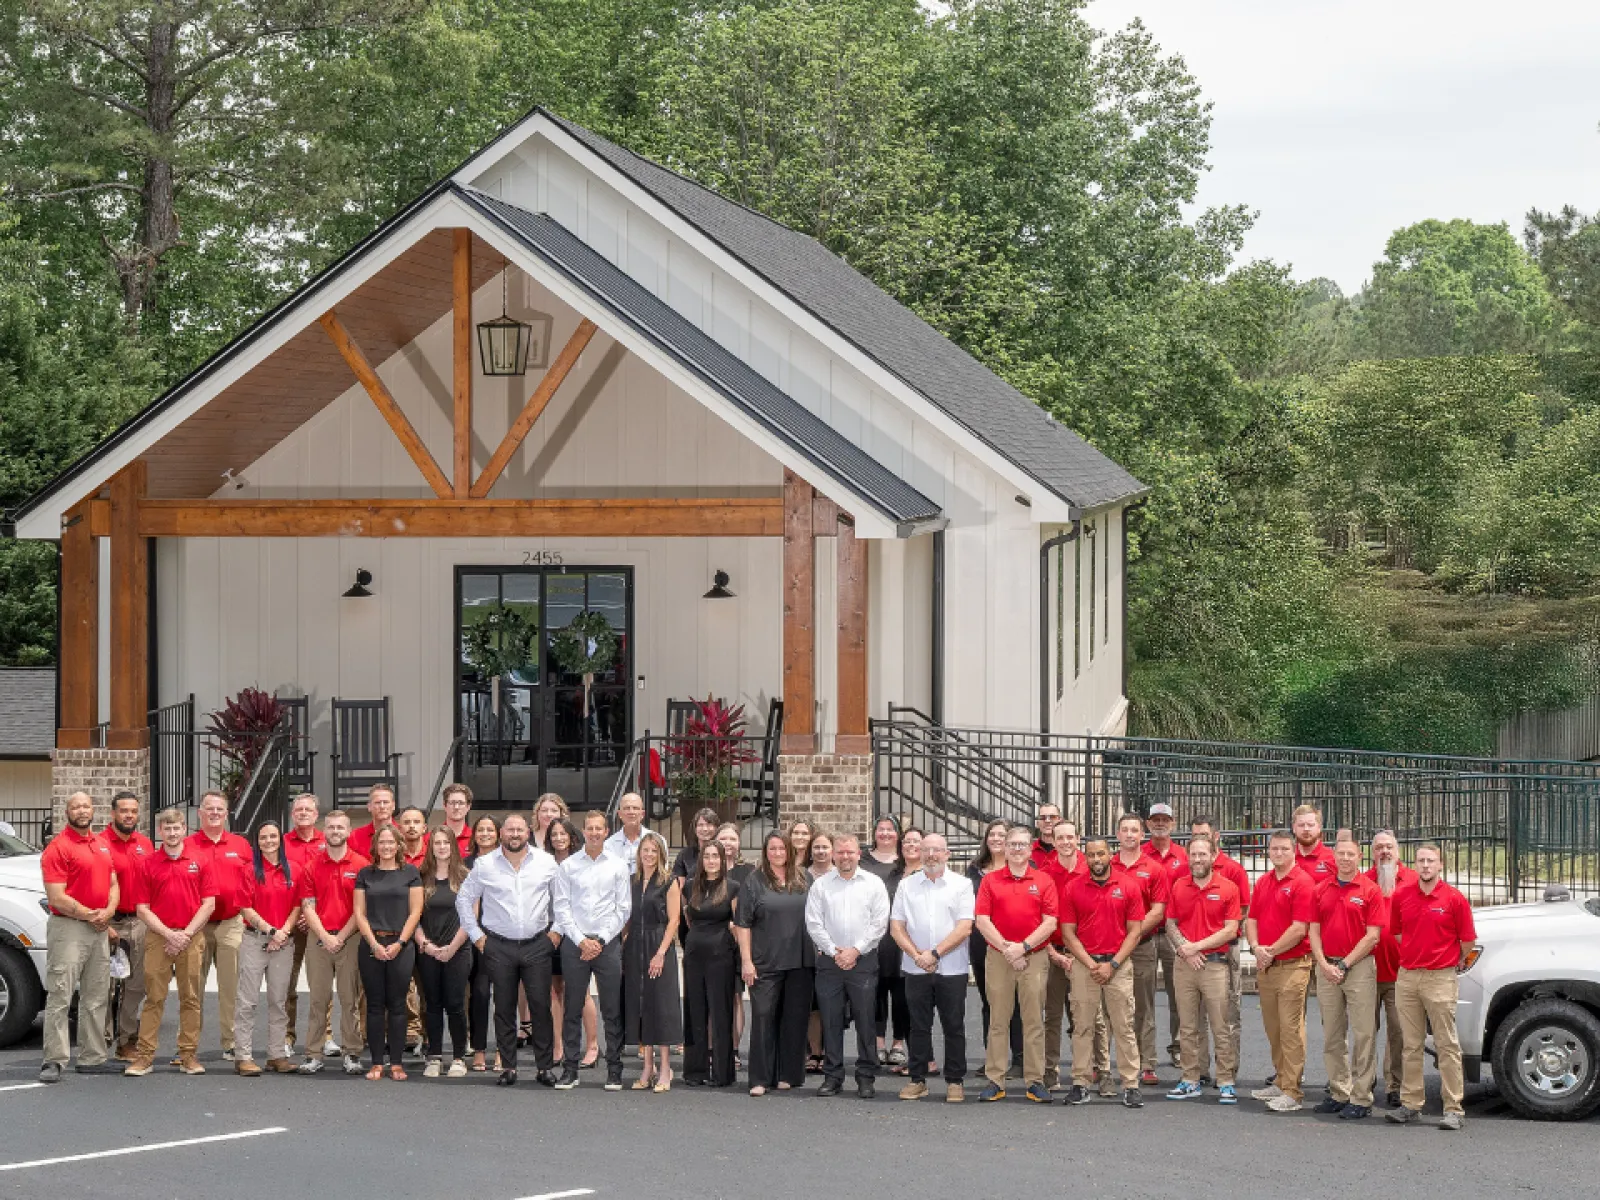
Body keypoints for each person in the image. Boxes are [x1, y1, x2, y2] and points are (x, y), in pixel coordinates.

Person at [457, 812, 561, 1087]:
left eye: (519, 830)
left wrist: (556, 933)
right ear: (501, 834)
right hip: (498, 945)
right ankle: (509, 1067)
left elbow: (562, 899)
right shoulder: (484, 864)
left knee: (540, 1007)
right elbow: (464, 900)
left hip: (537, 944)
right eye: (510, 830)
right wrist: (478, 937)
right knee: (503, 1007)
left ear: (528, 832)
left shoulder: (546, 862)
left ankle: (544, 1067)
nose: (515, 834)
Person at [1386, 843, 1477, 1131]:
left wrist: (1445, 960)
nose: (1425, 866)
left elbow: (1467, 941)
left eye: (1431, 861)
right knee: (1410, 1044)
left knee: (1446, 1044)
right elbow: (1398, 932)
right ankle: (1411, 1104)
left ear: (1440, 865)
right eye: (1421, 861)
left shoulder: (1454, 899)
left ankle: (1453, 1108)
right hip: (1408, 976)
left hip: (1440, 978)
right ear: (1415, 865)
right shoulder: (1402, 896)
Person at [125, 808, 217, 1077]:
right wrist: (169, 934)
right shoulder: (149, 864)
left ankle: (188, 1055)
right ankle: (144, 1056)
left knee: (190, 999)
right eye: (167, 829)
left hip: (191, 936)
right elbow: (142, 908)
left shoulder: (200, 860)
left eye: (177, 828)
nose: (173, 833)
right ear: (160, 832)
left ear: (184, 829)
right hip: (158, 938)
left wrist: (185, 934)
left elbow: (208, 904)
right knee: (154, 998)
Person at [1057, 837, 1145, 1108]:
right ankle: (1081, 1083)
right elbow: (1068, 933)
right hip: (1085, 966)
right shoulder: (1073, 888)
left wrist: (1113, 964)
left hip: (1118, 965)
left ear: (1110, 855)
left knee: (1124, 1026)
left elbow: (1135, 931)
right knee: (1081, 1026)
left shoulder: (1128, 885)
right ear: (1086, 857)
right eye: (1091, 855)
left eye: (1101, 854)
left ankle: (1130, 1084)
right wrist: (1090, 963)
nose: (1096, 859)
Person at [974, 824, 1058, 1104]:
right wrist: (1008, 949)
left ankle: (1035, 1081)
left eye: (1022, 844)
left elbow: (1050, 922)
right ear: (1005, 848)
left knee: (1034, 1020)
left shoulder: (1044, 880)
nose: (1017, 849)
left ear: (1031, 846)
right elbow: (982, 920)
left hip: (1033, 957)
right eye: (1012, 845)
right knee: (998, 1020)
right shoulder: (991, 880)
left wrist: (1022, 947)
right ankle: (995, 1080)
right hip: (999, 957)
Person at [39, 790, 118, 1082]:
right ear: (67, 812)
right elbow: (57, 898)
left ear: (93, 809)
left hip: (97, 927)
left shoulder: (102, 844)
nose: (82, 810)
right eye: (76, 807)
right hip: (69, 928)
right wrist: (91, 915)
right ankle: (54, 1060)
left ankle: (93, 1057)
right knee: (60, 993)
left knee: (96, 995)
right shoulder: (57, 848)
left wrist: (108, 911)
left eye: (86, 805)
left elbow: (113, 882)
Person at [890, 831, 973, 1103]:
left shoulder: (961, 885)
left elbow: (964, 927)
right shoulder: (907, 886)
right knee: (918, 1026)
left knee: (953, 1025)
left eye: (937, 850)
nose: (931, 855)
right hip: (916, 968)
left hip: (952, 968)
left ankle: (955, 1081)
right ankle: (917, 1080)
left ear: (947, 854)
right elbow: (897, 927)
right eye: (926, 850)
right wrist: (917, 955)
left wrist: (935, 953)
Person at [552, 810, 632, 1090]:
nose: (595, 833)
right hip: (575, 945)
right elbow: (561, 907)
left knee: (611, 1009)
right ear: (583, 831)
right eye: (590, 828)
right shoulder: (569, 866)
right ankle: (570, 1069)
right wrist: (580, 940)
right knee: (572, 1007)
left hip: (607, 945)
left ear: (607, 831)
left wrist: (600, 941)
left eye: (599, 828)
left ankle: (614, 1069)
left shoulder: (618, 866)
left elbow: (623, 908)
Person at [1309, 833, 1387, 1120]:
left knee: (1364, 1033)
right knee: (1332, 1033)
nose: (1344, 859)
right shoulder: (1320, 889)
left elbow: (1373, 936)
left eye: (1350, 854)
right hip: (1326, 967)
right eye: (1340, 854)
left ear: (1359, 857)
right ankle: (1339, 1091)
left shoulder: (1370, 890)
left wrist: (1343, 965)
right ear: (1334, 857)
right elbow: (1313, 931)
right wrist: (1323, 964)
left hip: (1359, 968)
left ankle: (1362, 1097)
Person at [805, 832, 889, 1098]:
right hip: (829, 963)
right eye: (840, 852)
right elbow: (814, 923)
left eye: (849, 852)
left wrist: (855, 950)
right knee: (830, 1020)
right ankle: (833, 1076)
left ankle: (866, 1077)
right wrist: (834, 951)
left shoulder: (873, 884)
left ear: (858, 854)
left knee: (866, 1021)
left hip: (863, 961)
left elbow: (879, 923)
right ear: (833, 855)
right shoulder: (821, 886)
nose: (845, 857)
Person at [1163, 836, 1242, 1104]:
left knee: (1221, 1025)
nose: (1197, 859)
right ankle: (1190, 1079)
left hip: (1215, 965)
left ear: (1213, 855)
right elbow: (1170, 923)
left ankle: (1226, 1081)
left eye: (1202, 854)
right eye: (1193, 855)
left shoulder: (1228, 887)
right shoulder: (1179, 886)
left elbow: (1231, 929)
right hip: (1184, 965)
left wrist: (1196, 947)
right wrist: (1186, 949)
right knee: (1187, 1026)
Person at [737, 831, 813, 1096]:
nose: (778, 853)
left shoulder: (804, 877)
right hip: (765, 962)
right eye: (772, 849)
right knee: (763, 1017)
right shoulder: (754, 881)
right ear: (765, 851)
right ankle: (760, 1078)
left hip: (801, 962)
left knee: (793, 1019)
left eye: (782, 848)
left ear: (790, 851)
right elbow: (743, 923)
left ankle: (788, 1074)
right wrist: (746, 960)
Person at [1246, 829, 1317, 1112]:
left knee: (1291, 1029)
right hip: (1267, 965)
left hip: (1292, 966)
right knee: (1273, 1028)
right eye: (1274, 849)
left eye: (1284, 849)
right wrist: (1255, 948)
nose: (1279, 853)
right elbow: (1251, 919)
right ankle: (1280, 1078)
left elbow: (1299, 929)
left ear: (1294, 851)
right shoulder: (1264, 882)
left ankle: (1293, 1091)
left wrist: (1270, 951)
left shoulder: (1302, 882)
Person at [296, 810, 369, 1076]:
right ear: (323, 831)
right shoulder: (311, 866)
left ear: (348, 831)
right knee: (318, 999)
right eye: (330, 827)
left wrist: (340, 936)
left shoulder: (361, 865)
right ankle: (313, 1054)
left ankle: (352, 1053)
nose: (335, 831)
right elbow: (307, 906)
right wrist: (325, 936)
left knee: (349, 998)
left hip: (350, 937)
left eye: (340, 827)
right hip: (319, 939)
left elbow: (360, 909)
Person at [186, 790, 253, 1061]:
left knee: (231, 988)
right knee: (192, 987)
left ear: (227, 814)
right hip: (197, 925)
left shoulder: (241, 846)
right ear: (200, 813)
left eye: (219, 809)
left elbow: (252, 884)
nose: (214, 813)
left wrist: (247, 919)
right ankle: (189, 1045)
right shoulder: (187, 844)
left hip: (231, 923)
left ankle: (231, 1043)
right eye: (209, 808)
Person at [353, 826, 422, 1080]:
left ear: (398, 845)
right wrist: (373, 944)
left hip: (400, 946)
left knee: (397, 1005)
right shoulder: (365, 874)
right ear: (375, 846)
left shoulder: (410, 873)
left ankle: (396, 1063)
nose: (386, 847)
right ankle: (376, 1063)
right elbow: (359, 913)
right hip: (372, 944)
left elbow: (415, 911)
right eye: (382, 842)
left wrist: (400, 943)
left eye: (391, 842)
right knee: (374, 1005)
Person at [233, 821, 300, 1077]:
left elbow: (297, 905)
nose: (268, 841)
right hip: (255, 940)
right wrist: (271, 930)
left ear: (280, 839)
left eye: (273, 836)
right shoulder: (249, 870)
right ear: (257, 842)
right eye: (263, 838)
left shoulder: (292, 870)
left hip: (284, 943)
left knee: (278, 1001)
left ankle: (276, 1055)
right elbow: (245, 907)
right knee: (247, 1001)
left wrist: (283, 932)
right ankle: (244, 1056)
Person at [1189, 813, 1250, 1088]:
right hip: (1193, 954)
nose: (1198, 841)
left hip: (1226, 950)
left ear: (1216, 837)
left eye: (1204, 834)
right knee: (1195, 1014)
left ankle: (1228, 1071)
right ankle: (1199, 1070)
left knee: (1227, 1013)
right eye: (1194, 835)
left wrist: (1225, 938)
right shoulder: (1189, 867)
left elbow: (1243, 911)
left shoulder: (1233, 869)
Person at [1114, 812, 1169, 1086]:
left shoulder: (1154, 869)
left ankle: (1146, 1063)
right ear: (1118, 835)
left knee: (1142, 1005)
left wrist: (1131, 934)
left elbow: (1158, 911)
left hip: (1142, 946)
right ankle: (1100, 1064)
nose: (1130, 834)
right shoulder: (1106, 864)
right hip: (1109, 949)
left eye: (1134, 830)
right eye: (1125, 830)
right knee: (1106, 1007)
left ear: (1142, 834)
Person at [624, 831, 682, 1092]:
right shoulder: (633, 881)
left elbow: (674, 920)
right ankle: (647, 1066)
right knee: (641, 1004)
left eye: (653, 851)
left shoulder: (668, 881)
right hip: (635, 943)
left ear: (661, 854)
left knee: (661, 1005)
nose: (648, 855)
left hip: (659, 944)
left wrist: (660, 953)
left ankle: (666, 1067)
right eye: (644, 850)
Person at [966, 818, 1024, 1077]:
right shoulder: (974, 870)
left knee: (1019, 1003)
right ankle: (993, 1058)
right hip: (983, 942)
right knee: (990, 1001)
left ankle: (1021, 1059)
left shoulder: (1023, 867)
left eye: (1003, 835)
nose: (997, 839)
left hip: (1017, 943)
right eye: (992, 834)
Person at [1035, 818, 1088, 1091]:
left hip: (1085, 955)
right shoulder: (1044, 873)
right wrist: (1053, 954)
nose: (1066, 842)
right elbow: (1038, 919)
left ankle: (1087, 1072)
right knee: (1053, 1017)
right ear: (1053, 842)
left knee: (1087, 1018)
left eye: (1071, 837)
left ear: (1078, 839)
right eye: (1060, 838)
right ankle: (1050, 1071)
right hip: (1053, 953)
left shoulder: (1091, 868)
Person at [1365, 829, 1415, 1108]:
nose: (1384, 852)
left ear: (1397, 851)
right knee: (1365, 1031)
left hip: (1400, 973)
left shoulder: (1413, 881)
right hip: (1367, 971)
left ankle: (1394, 1085)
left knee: (1398, 1032)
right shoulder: (1363, 881)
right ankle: (1365, 1081)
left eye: (1389, 847)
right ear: (1372, 853)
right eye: (1379, 848)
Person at [416, 827, 472, 1078]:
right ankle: (434, 1056)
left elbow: (472, 918)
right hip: (427, 949)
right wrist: (425, 944)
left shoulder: (465, 876)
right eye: (436, 843)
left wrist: (451, 948)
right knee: (432, 1004)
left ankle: (459, 1056)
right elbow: (412, 916)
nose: (441, 847)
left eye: (445, 842)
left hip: (457, 950)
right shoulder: (421, 877)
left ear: (453, 846)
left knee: (456, 1004)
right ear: (431, 847)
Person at [545, 816, 600, 1069]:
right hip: (549, 934)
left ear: (572, 837)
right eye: (553, 834)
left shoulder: (580, 863)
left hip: (575, 933)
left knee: (581, 992)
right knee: (555, 991)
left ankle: (591, 1045)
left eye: (562, 834)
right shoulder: (543, 863)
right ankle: (558, 1046)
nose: (558, 838)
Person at [682, 841, 739, 1088]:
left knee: (720, 1012)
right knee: (694, 1010)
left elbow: (738, 924)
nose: (712, 860)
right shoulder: (689, 887)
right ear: (701, 860)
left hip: (721, 956)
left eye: (716, 856)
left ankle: (722, 1073)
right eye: (707, 856)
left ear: (723, 859)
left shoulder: (733, 887)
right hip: (694, 954)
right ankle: (695, 1070)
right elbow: (688, 919)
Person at [102, 790, 154, 1060]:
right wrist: (104, 924)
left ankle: (126, 1040)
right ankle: (102, 1040)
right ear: (113, 814)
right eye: (124, 811)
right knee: (106, 986)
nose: (129, 815)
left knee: (136, 986)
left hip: (140, 922)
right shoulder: (100, 844)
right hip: (110, 923)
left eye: (133, 811)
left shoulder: (145, 844)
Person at [859, 815, 910, 1072]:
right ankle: (878, 1041)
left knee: (901, 993)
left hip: (902, 938)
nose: (886, 834)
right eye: (881, 829)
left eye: (891, 830)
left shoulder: (905, 862)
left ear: (898, 834)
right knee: (875, 992)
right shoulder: (864, 862)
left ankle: (898, 1043)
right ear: (874, 833)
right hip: (873, 937)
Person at [281, 792, 328, 1060]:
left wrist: (313, 914)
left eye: (308, 809)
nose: (303, 813)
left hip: (319, 922)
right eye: (298, 809)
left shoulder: (327, 841)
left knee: (321, 983)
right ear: (292, 814)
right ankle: (287, 1035)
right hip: (291, 920)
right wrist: (299, 914)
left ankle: (327, 1035)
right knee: (287, 982)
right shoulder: (282, 843)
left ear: (316, 814)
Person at [463, 814, 499, 1072]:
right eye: (480, 829)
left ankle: (501, 1049)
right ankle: (478, 1049)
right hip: (473, 936)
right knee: (479, 993)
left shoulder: (506, 862)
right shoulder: (464, 864)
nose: (485, 833)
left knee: (504, 996)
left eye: (490, 829)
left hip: (502, 935)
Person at [348, 783, 398, 859]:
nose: (382, 806)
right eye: (377, 802)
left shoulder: (404, 833)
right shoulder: (355, 837)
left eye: (386, 802)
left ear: (393, 806)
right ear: (369, 807)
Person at [1292, 804, 1337, 885]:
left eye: (1310, 825)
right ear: (1294, 828)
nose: (1306, 829)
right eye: (1301, 825)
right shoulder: (1288, 857)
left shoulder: (1332, 858)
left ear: (1319, 828)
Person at [673, 808, 721, 881]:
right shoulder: (684, 855)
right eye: (700, 825)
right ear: (695, 828)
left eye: (709, 824)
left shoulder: (722, 853)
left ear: (716, 828)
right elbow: (679, 885)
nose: (705, 829)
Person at [604, 792, 649, 871]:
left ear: (642, 814)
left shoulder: (657, 841)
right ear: (619, 814)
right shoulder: (609, 846)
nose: (631, 812)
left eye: (635, 808)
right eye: (627, 808)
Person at [439, 783, 474, 858]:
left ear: (468, 807)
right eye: (452, 803)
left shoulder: (475, 838)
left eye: (461, 803)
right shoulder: (431, 838)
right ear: (444, 806)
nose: (456, 807)